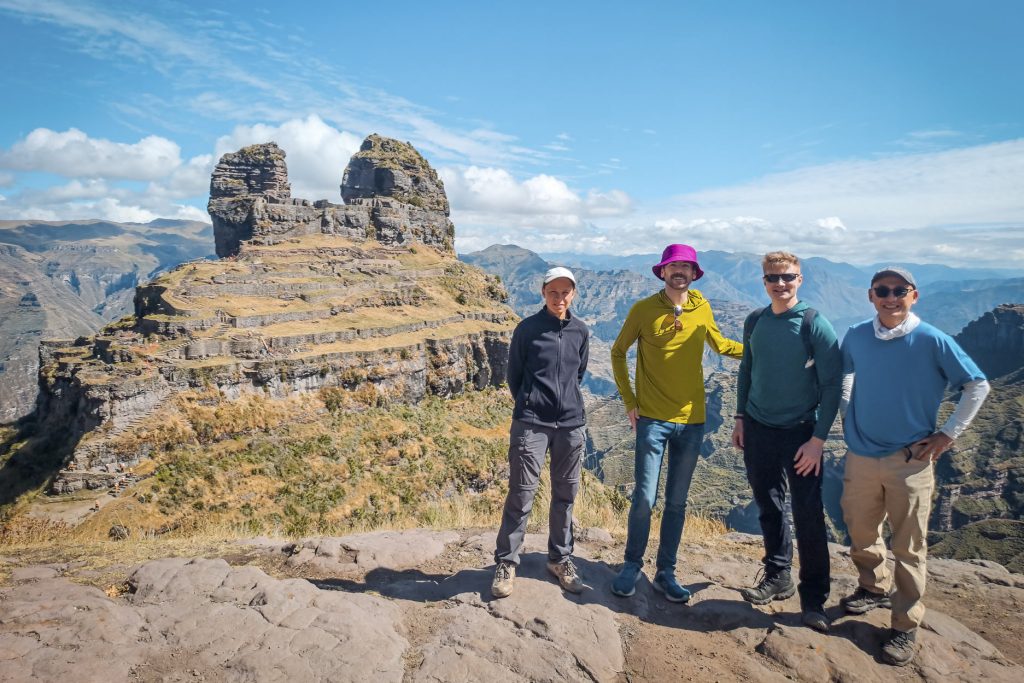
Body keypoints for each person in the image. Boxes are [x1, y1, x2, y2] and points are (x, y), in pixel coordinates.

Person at [839, 266, 989, 666]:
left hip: (911, 461)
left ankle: (905, 626)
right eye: (882, 290)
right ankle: (872, 586)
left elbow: (978, 385)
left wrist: (948, 434)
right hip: (861, 455)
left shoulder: (932, 340)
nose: (891, 297)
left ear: (913, 295)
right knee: (861, 529)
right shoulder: (855, 335)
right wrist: (846, 410)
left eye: (899, 290)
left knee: (909, 546)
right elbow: (845, 373)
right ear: (871, 295)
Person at [609, 244, 743, 602]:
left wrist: (763, 347)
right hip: (652, 419)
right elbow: (618, 352)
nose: (679, 271)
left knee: (677, 502)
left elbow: (721, 345)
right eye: (673, 266)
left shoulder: (703, 308)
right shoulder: (643, 310)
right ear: (663, 272)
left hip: (693, 421)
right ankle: (631, 565)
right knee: (643, 497)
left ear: (694, 273)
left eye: (686, 266)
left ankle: (665, 572)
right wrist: (629, 401)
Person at [731, 251, 841, 632]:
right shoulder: (755, 320)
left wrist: (818, 440)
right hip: (759, 427)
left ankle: (813, 600)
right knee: (768, 504)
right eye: (773, 278)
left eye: (788, 277)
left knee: (808, 514)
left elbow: (831, 385)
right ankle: (778, 576)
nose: (780, 284)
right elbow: (748, 368)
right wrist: (740, 417)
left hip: (800, 433)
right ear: (763, 281)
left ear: (800, 279)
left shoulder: (814, 323)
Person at [492, 266, 590, 598]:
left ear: (573, 294)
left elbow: (579, 374)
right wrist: (532, 403)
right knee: (521, 493)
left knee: (565, 495)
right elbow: (514, 377)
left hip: (571, 424)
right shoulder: (527, 329)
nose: (559, 298)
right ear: (543, 293)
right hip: (531, 423)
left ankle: (560, 559)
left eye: (565, 292)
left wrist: (566, 403)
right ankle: (506, 561)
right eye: (553, 292)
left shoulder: (581, 331)